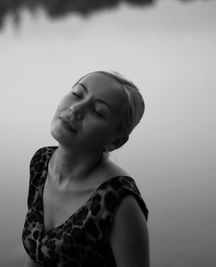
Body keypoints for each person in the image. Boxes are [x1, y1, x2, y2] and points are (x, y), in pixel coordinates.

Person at [22, 71, 149, 267]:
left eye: (98, 111)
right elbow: (37, 256)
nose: (75, 108)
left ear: (115, 141)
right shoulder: (41, 163)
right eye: (77, 94)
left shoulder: (119, 202)